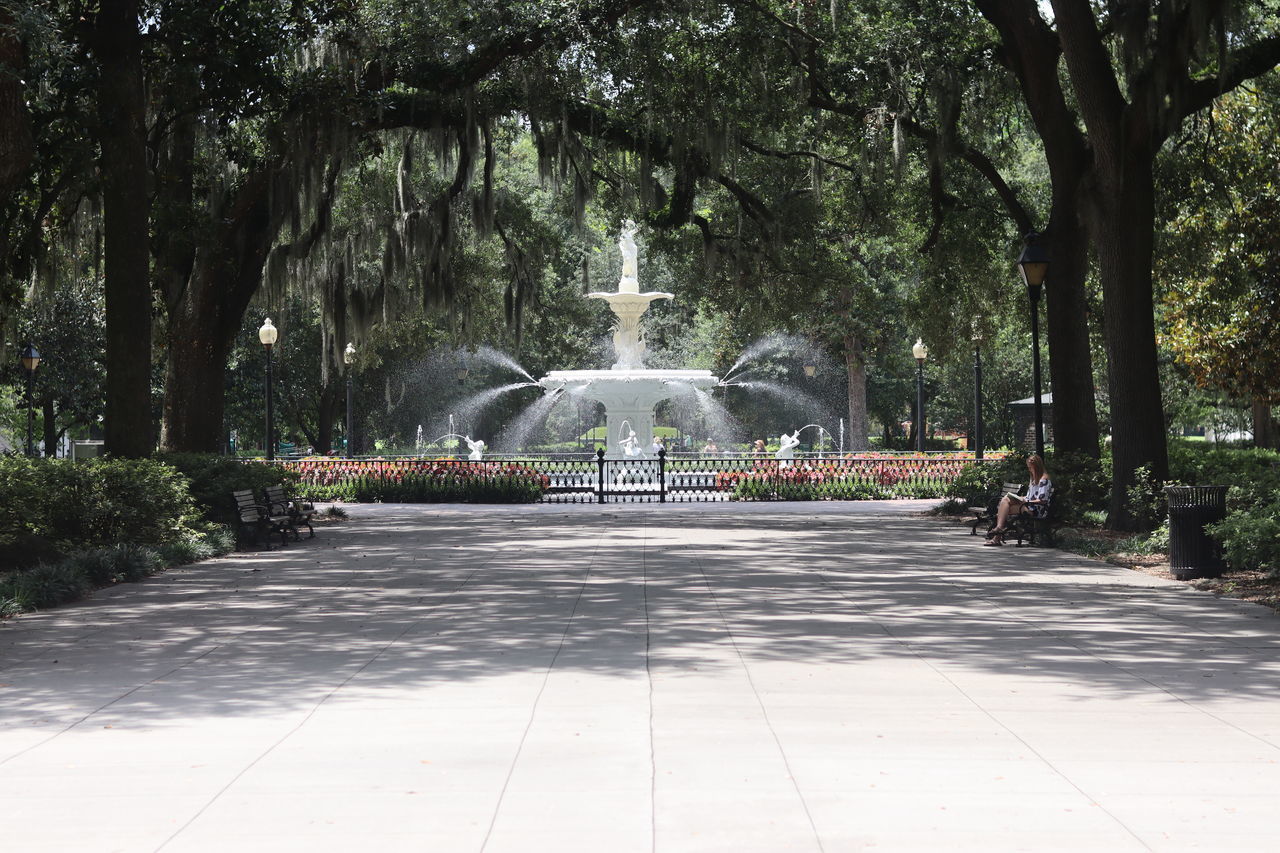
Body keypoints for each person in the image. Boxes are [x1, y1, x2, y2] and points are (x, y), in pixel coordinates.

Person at [985, 454, 1053, 546]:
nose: (1029, 470)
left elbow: (1042, 500)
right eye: (1028, 467)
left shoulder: (1043, 480)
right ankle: (998, 532)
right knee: (1005, 501)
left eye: (1030, 468)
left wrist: (1026, 501)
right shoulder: (1034, 479)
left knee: (1003, 510)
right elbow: (1029, 496)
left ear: (1037, 467)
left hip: (1037, 509)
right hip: (1028, 506)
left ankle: (998, 533)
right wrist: (1022, 498)